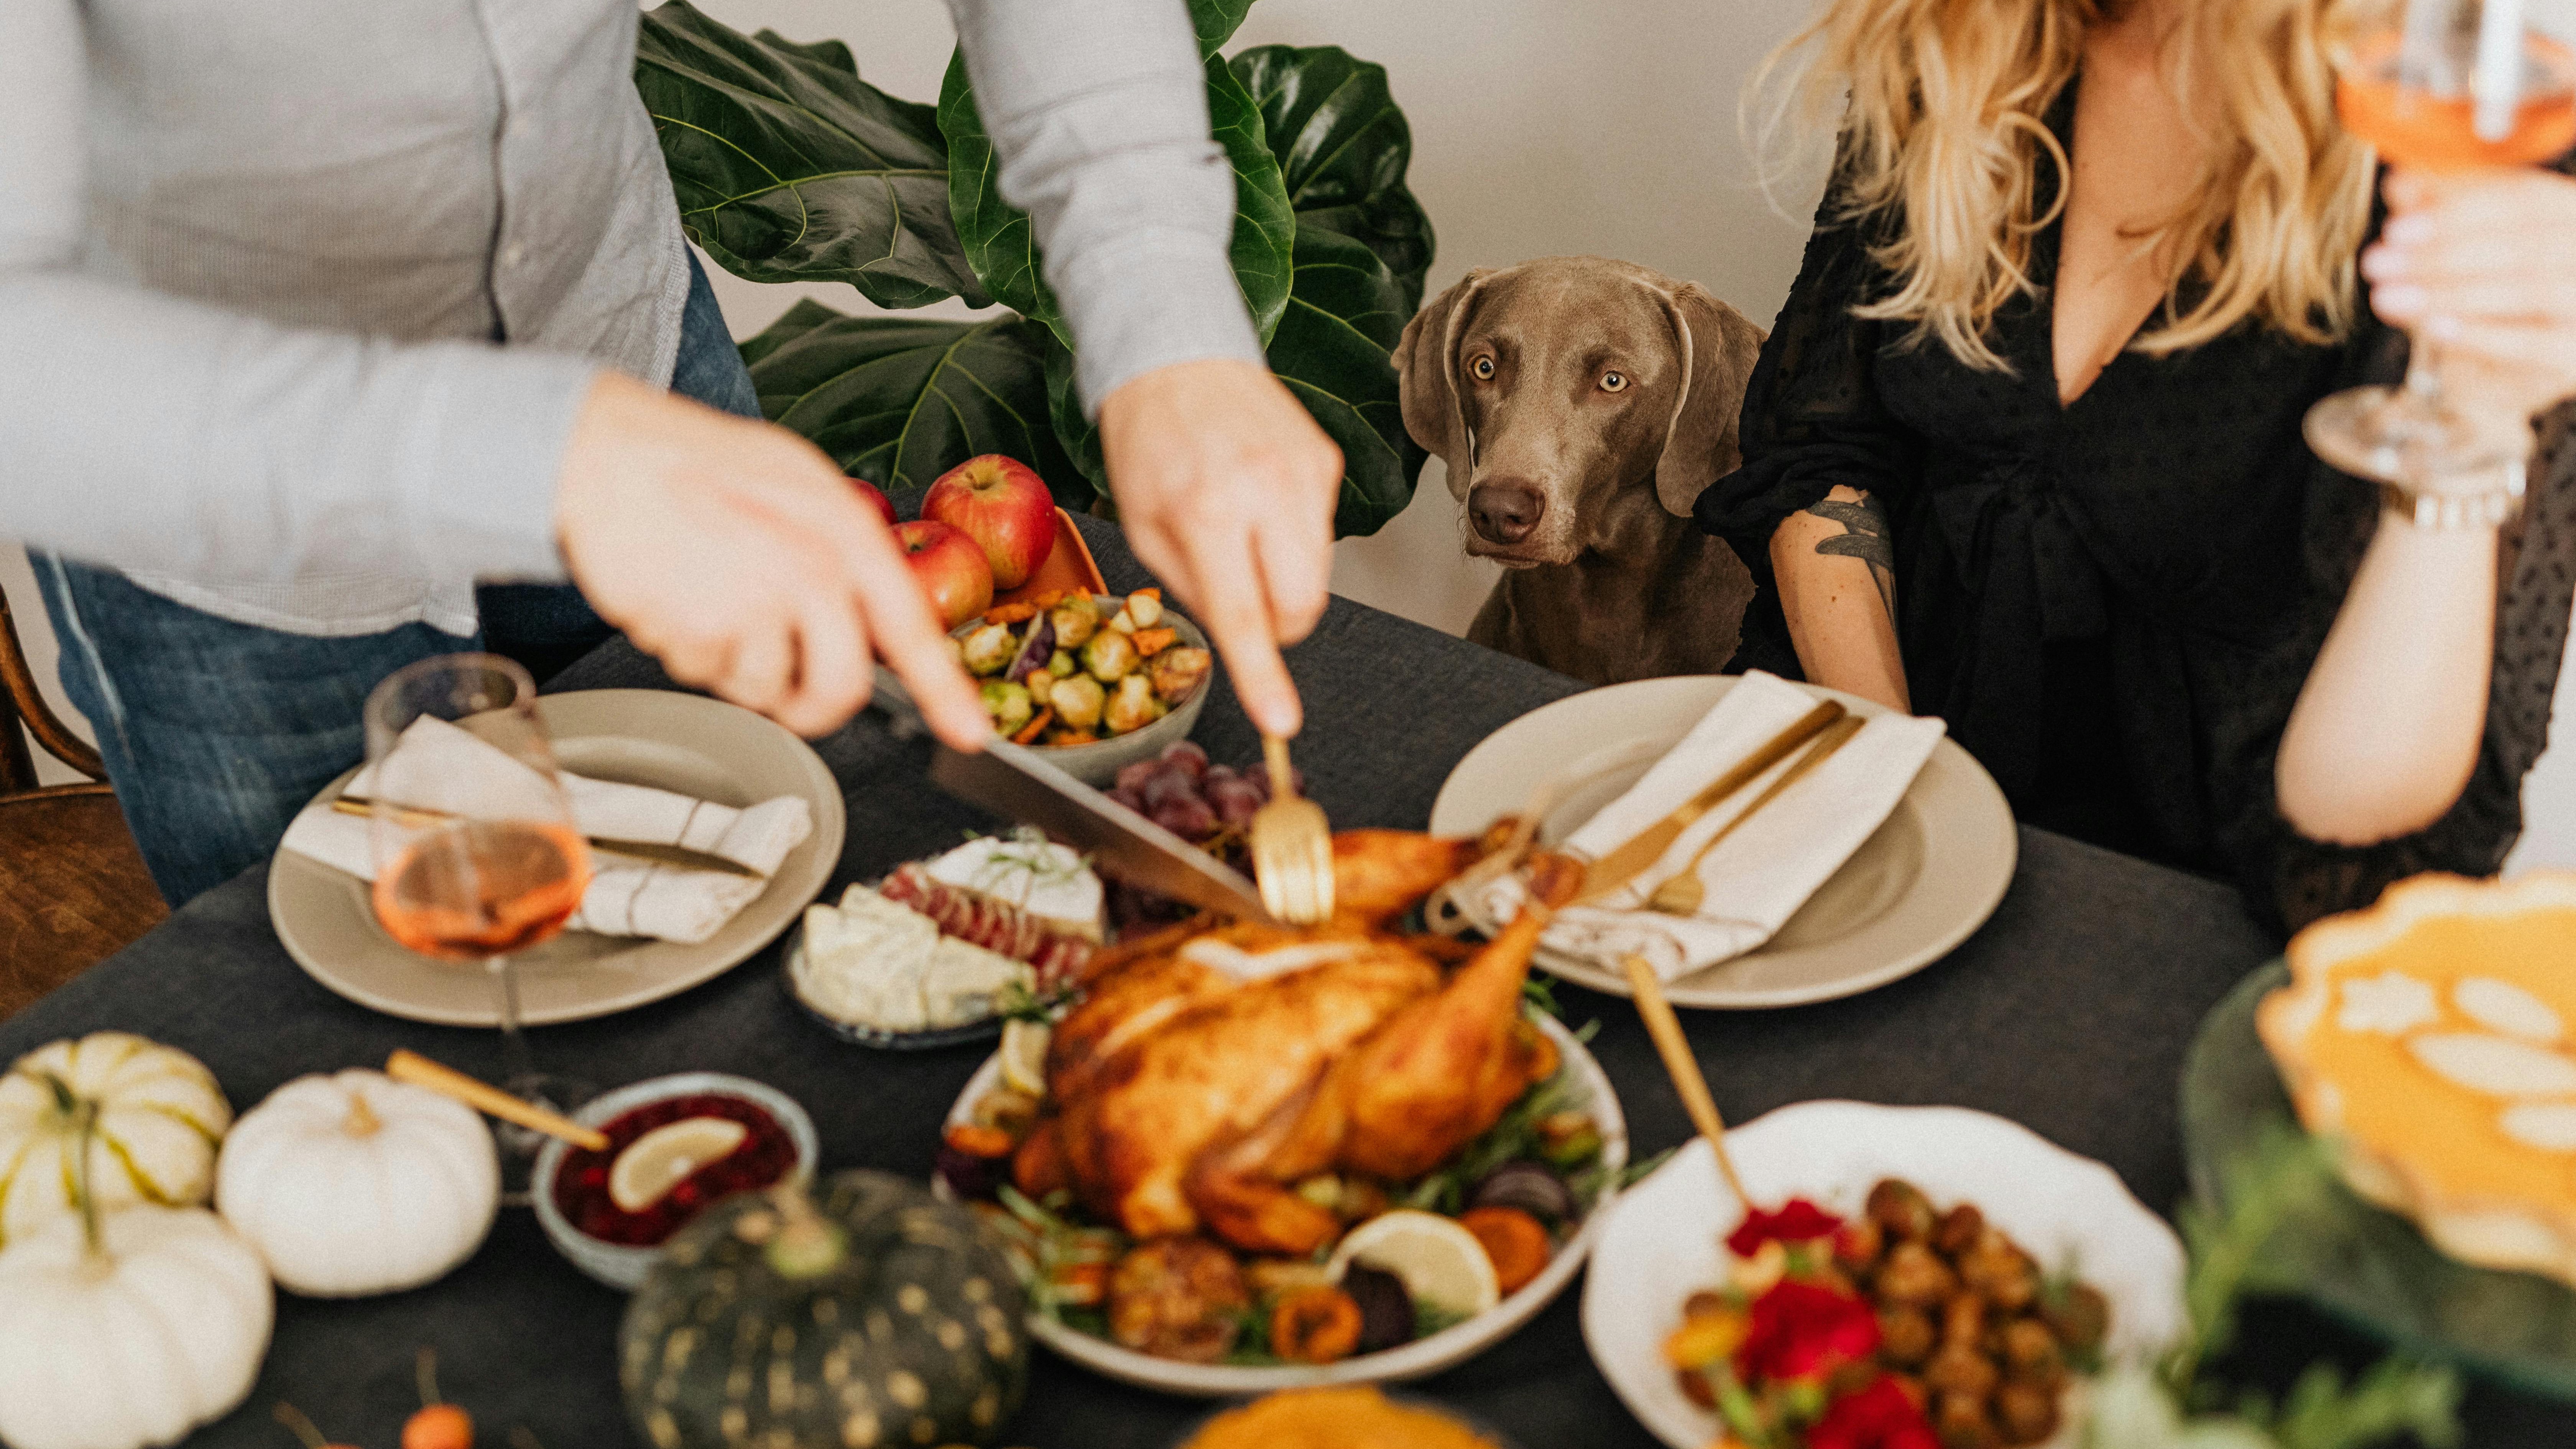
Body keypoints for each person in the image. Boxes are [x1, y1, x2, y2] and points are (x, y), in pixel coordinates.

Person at [1, 0, 1341, 906]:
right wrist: (546, 461)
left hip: (618, 329)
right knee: (354, 1054)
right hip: (224, 526)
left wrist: (1164, 307)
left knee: (762, 912)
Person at [1693, 0, 2576, 929]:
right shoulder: (1962, 38)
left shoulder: (2471, 153)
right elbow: (1827, 446)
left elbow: (2366, 828)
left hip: (2216, 889)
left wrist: (2476, 426)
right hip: (1874, 780)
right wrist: (1895, 774)